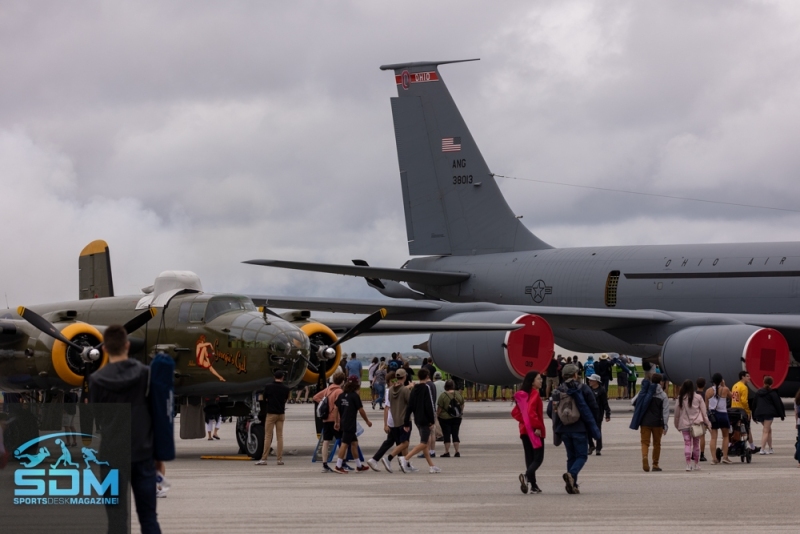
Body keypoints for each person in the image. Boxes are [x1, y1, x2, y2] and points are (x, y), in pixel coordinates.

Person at [88, 324, 161, 534]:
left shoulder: (96, 380)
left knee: (116, 519)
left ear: (104, 349)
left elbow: (99, 417)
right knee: (148, 518)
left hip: (111, 455)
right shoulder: (146, 374)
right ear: (127, 346)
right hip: (142, 453)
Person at [546, 363, 599, 494]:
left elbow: (549, 410)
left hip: (563, 429)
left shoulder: (557, 390)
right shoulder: (584, 388)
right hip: (580, 428)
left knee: (571, 457)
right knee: (582, 456)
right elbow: (594, 407)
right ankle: (571, 474)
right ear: (575, 375)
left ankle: (572, 485)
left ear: (563, 376)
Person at [400, 368, 441, 473]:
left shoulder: (414, 389)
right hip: (425, 419)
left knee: (425, 443)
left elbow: (410, 406)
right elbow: (430, 405)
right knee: (423, 443)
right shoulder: (426, 388)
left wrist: (406, 421)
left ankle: (432, 466)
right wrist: (432, 420)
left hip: (417, 419)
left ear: (418, 377)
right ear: (427, 376)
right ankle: (405, 458)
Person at [511, 372, 545, 494]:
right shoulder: (534, 394)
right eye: (539, 379)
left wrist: (525, 421)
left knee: (530, 458)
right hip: (534, 431)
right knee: (538, 458)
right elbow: (531, 412)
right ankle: (526, 477)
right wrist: (536, 426)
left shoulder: (524, 395)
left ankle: (534, 486)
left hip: (524, 431)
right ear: (532, 382)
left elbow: (515, 412)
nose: (541, 381)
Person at [630, 373, 669, 472]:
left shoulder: (645, 392)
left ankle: (644, 457)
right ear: (661, 382)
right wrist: (665, 426)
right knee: (657, 443)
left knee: (644, 442)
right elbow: (665, 412)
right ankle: (655, 464)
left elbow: (633, 401)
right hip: (657, 423)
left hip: (645, 422)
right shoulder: (663, 395)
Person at [333, 375, 372, 474]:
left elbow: (336, 408)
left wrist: (336, 421)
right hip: (349, 424)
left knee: (354, 443)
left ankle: (359, 466)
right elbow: (361, 410)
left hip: (343, 422)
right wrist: (367, 421)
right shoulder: (354, 396)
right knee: (344, 444)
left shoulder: (342, 395)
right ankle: (338, 465)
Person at [673, 380, 711, 471]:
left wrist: (676, 424)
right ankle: (697, 464)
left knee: (687, 443)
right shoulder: (698, 397)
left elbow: (676, 413)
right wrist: (708, 424)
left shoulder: (680, 398)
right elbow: (704, 412)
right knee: (696, 444)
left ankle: (688, 464)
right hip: (696, 424)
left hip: (684, 424)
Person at [256, 370, 291, 466]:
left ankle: (264, 458)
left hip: (271, 413)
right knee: (280, 436)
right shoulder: (286, 388)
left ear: (274, 377)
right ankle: (279, 459)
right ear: (282, 378)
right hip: (281, 413)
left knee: (268, 436)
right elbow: (286, 399)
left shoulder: (268, 386)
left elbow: (264, 397)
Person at [313, 371, 345, 473]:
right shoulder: (339, 391)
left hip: (326, 419)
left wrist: (325, 405)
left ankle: (325, 464)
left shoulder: (328, 390)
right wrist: (337, 420)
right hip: (336, 419)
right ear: (342, 381)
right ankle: (341, 462)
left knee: (326, 441)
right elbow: (337, 407)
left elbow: (315, 397)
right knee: (342, 441)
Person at [753, 376, 785, 454]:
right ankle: (762, 449)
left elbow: (754, 404)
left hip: (759, 413)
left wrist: (754, 415)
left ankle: (770, 448)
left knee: (768, 430)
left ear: (763, 382)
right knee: (766, 431)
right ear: (772, 383)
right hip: (769, 413)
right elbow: (777, 404)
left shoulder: (758, 392)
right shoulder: (772, 392)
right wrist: (782, 415)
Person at [731, 370, 758, 452]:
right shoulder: (744, 387)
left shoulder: (735, 385)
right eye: (747, 376)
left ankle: (731, 444)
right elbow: (744, 401)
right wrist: (748, 411)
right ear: (743, 377)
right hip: (741, 410)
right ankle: (752, 446)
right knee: (747, 428)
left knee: (734, 428)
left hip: (734, 409)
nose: (749, 378)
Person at [437, 379, 464, 458]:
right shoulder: (458, 394)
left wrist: (437, 415)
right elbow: (462, 405)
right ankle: (457, 451)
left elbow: (440, 408)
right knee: (455, 434)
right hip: (457, 417)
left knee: (446, 434)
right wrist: (459, 413)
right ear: (453, 386)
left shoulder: (443, 396)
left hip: (445, 418)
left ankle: (447, 451)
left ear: (445, 386)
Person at [586, 374, 610, 456]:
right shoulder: (588, 390)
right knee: (588, 431)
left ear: (596, 381)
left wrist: (607, 414)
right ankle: (591, 446)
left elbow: (605, 404)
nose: (589, 381)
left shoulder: (601, 391)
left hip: (598, 414)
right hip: (589, 414)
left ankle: (598, 448)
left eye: (591, 380)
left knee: (597, 431)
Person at [695, 377, 708, 461]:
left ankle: (694, 453)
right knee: (702, 436)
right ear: (704, 385)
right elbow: (706, 407)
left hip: (693, 417)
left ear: (696, 385)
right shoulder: (705, 395)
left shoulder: (693, 395)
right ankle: (702, 454)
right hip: (702, 417)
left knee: (694, 436)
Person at [794, 389, 800, 467]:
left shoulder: (797, 400)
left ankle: (799, 460)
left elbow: (796, 413)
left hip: (799, 422)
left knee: (799, 442)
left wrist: (796, 423)